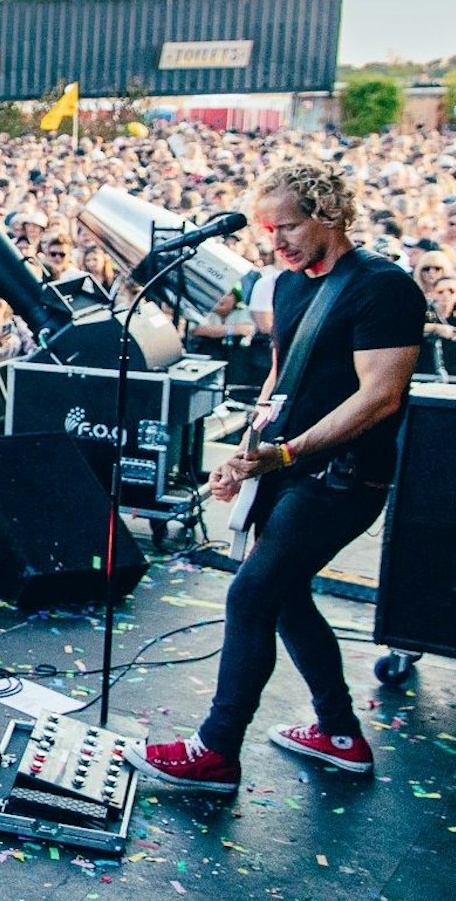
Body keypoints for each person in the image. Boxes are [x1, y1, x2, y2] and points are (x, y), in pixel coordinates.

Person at [128, 163, 422, 793]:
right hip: (290, 470)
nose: (275, 243)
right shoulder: (289, 286)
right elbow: (279, 384)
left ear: (329, 212)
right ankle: (339, 733)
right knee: (283, 596)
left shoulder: (383, 287)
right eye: (267, 230)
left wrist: (285, 455)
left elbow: (381, 396)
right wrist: (248, 453)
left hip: (343, 480)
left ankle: (215, 751)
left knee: (252, 594)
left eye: (286, 226)